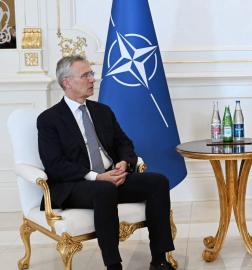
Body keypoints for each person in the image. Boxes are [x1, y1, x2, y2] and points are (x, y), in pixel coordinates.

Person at [37, 55, 175, 270]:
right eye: (86, 75)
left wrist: (122, 163)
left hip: (112, 177)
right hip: (75, 185)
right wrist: (97, 177)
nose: (93, 79)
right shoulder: (49, 119)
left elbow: (124, 143)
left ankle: (159, 259)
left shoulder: (102, 111)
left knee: (157, 182)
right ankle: (113, 265)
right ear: (67, 82)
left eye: (91, 74)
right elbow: (55, 164)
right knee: (104, 190)